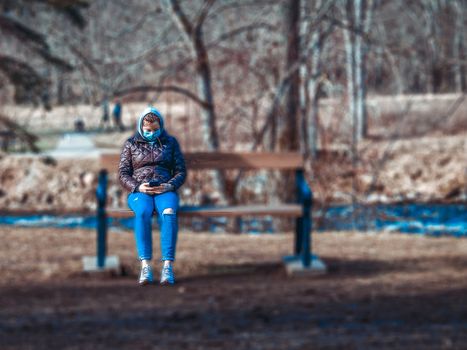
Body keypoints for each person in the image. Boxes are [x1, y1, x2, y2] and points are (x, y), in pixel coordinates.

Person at [118, 106, 187, 286]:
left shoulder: (170, 142)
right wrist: (138, 186)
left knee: (169, 212)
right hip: (140, 191)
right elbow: (123, 173)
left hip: (165, 189)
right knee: (142, 213)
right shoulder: (131, 144)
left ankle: (167, 266)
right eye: (148, 130)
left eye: (156, 130)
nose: (152, 133)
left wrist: (170, 185)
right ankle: (145, 266)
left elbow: (180, 171)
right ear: (141, 127)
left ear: (161, 126)